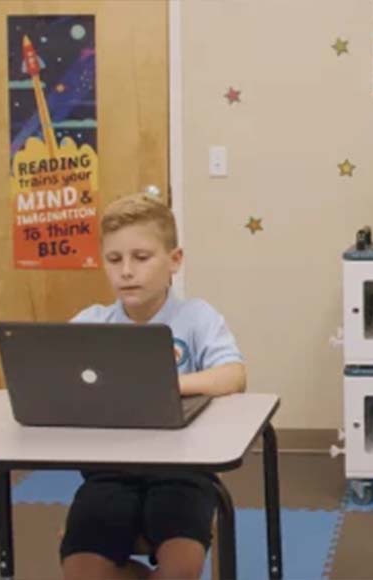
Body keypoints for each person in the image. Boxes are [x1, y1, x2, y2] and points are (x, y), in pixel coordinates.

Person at [60, 194, 246, 579]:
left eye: (141, 258)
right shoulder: (91, 323)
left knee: (181, 568)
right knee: (81, 570)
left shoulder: (196, 317)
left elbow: (233, 375)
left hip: (183, 471)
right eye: (114, 260)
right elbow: (55, 380)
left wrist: (162, 384)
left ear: (174, 260)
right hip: (109, 471)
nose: (127, 271)